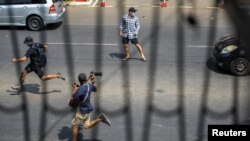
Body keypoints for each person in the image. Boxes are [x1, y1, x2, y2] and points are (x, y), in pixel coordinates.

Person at [71, 73, 111, 141]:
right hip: (88, 109)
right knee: (86, 126)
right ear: (85, 79)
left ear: (79, 80)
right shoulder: (89, 86)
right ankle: (100, 118)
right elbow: (95, 88)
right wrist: (93, 81)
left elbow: (73, 98)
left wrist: (75, 89)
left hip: (82, 111)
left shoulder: (80, 90)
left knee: (74, 125)